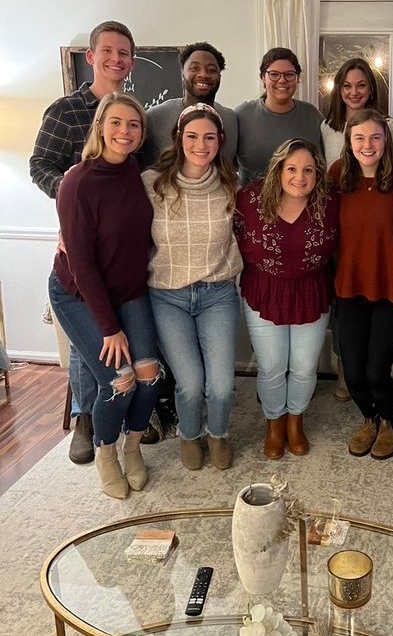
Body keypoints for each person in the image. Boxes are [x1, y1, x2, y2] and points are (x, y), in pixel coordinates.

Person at [30, 20, 136, 465]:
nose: (116, 59)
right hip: (78, 244)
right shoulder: (66, 110)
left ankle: (122, 415)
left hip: (121, 250)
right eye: (108, 51)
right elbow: (40, 166)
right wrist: (74, 201)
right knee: (85, 339)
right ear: (90, 57)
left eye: (124, 53)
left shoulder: (133, 114)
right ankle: (86, 417)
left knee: (117, 334)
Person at [48, 93, 161, 499]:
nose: (124, 132)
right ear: (100, 127)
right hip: (78, 292)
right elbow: (82, 265)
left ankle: (133, 448)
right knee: (121, 380)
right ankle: (106, 452)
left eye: (133, 125)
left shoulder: (134, 171)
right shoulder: (77, 182)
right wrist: (110, 328)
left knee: (149, 374)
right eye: (116, 123)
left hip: (128, 289)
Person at [142, 104, 242, 471]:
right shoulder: (151, 184)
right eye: (192, 136)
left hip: (217, 294)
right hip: (167, 296)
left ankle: (217, 433)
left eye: (209, 137)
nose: (201, 144)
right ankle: (189, 434)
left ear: (220, 142)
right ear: (179, 139)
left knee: (221, 385)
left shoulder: (232, 185)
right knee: (190, 384)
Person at [234, 139, 338, 459]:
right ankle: (274, 423)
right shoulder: (249, 199)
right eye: (291, 169)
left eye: (308, 170)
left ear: (318, 174)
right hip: (265, 292)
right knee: (272, 367)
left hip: (311, 292)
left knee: (305, 367)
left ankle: (296, 420)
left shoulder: (331, 202)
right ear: (278, 169)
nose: (299, 177)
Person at [330, 109, 393, 461]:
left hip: (391, 285)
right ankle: (369, 418)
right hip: (349, 286)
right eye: (359, 138)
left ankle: (390, 423)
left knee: (377, 369)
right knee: (352, 371)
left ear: (386, 141)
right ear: (349, 143)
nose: (368, 145)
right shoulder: (337, 176)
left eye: (375, 137)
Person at [320, 56, 393, 401]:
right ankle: (356, 392)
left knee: (376, 367)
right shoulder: (331, 146)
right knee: (353, 361)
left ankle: (383, 416)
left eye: (361, 84)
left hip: (387, 265)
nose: (367, 144)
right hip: (347, 258)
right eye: (347, 85)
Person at [139, 42, 238, 169]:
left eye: (211, 70)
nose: (203, 74)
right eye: (194, 68)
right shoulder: (155, 117)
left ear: (219, 76)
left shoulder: (231, 119)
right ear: (182, 73)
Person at [236, 48, 323, 182]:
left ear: (298, 78)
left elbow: (322, 165)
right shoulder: (242, 115)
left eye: (289, 74)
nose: (282, 80)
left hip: (301, 199)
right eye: (274, 74)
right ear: (263, 78)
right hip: (252, 200)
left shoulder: (312, 115)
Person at [321, 57, 393, 165]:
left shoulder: (388, 126)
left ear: (371, 89)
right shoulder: (327, 127)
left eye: (361, 85)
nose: (354, 92)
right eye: (347, 86)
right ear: (339, 90)